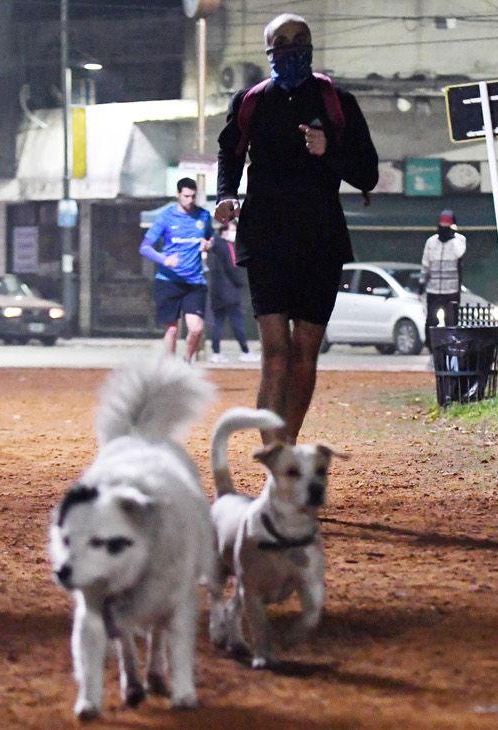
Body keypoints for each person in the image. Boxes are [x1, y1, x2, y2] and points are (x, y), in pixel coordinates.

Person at [214, 12, 379, 444]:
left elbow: (368, 173)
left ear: (311, 46)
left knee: (305, 353)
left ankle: (286, 449)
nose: (290, 48)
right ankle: (273, 462)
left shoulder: (336, 100)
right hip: (265, 236)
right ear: (268, 50)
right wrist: (225, 195)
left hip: (319, 239)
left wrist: (329, 152)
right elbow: (229, 153)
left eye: (299, 39)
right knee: (275, 353)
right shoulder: (250, 101)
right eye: (281, 41)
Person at [139, 177, 212, 363]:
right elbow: (144, 247)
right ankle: (171, 367)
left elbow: (210, 238)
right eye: (186, 196)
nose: (190, 200)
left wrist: (208, 244)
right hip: (168, 281)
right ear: (178, 195)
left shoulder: (203, 216)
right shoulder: (165, 218)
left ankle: (187, 360)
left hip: (194, 281)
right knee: (172, 329)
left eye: (193, 196)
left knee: (196, 328)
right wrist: (164, 259)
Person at [205, 220, 258, 363]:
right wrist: (239, 283)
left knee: (218, 322)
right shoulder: (226, 246)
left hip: (217, 291)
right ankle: (245, 351)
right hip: (229, 291)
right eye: (233, 230)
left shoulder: (214, 247)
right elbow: (231, 267)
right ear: (224, 232)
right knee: (237, 322)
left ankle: (216, 352)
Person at [420, 209, 467, 339]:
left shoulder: (459, 240)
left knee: (451, 322)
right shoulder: (431, 242)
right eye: (442, 223)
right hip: (433, 289)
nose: (444, 227)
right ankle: (431, 346)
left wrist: (452, 237)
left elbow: (459, 253)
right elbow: (426, 264)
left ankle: (450, 346)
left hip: (451, 290)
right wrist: (421, 284)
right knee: (431, 321)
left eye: (447, 224)